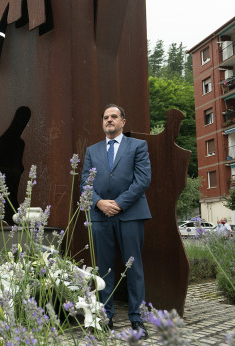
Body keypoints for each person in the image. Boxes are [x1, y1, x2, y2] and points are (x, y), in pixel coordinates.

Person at [80, 104, 151, 338]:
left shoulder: (138, 146)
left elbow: (142, 180)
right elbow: (85, 184)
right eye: (105, 117)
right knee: (104, 270)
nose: (109, 120)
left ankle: (137, 319)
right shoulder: (92, 150)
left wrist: (118, 203)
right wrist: (99, 203)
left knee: (134, 268)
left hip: (130, 214)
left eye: (114, 117)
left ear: (123, 121)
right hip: (100, 216)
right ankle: (105, 316)